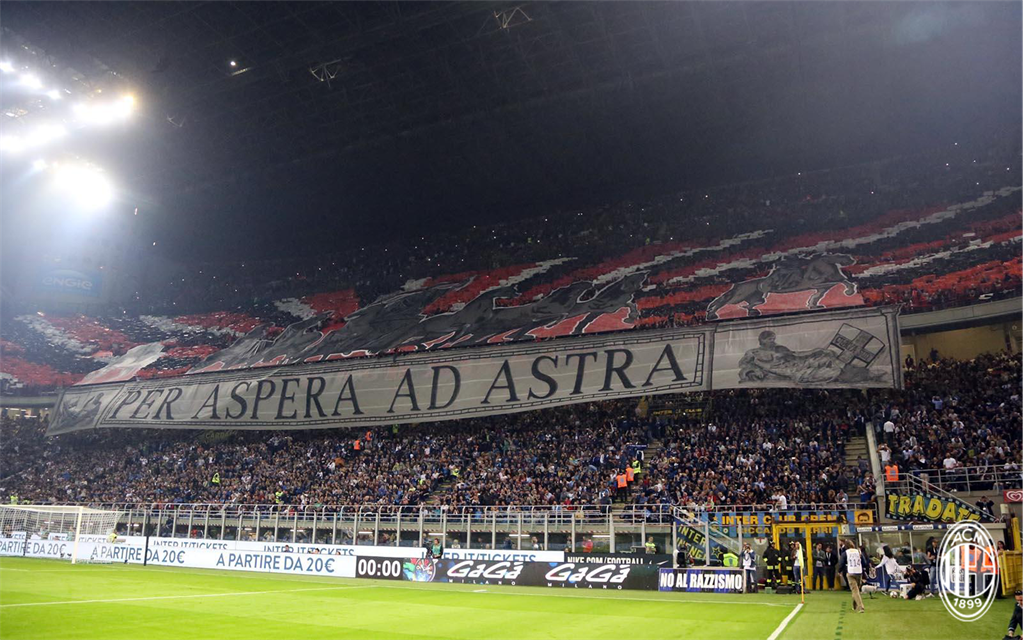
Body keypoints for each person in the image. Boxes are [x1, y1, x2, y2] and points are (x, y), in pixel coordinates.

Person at [837, 539, 866, 613]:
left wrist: (839, 571)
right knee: (856, 590)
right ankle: (854, 605)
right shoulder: (858, 551)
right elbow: (864, 562)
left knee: (855, 590)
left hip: (850, 572)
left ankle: (861, 607)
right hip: (859, 572)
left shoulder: (846, 553)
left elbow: (841, 563)